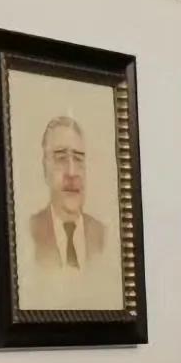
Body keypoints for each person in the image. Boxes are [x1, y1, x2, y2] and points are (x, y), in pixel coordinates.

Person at [24, 113, 118, 310]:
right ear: (45, 169)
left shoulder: (104, 237)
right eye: (60, 158)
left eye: (78, 159)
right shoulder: (27, 234)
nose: (72, 172)